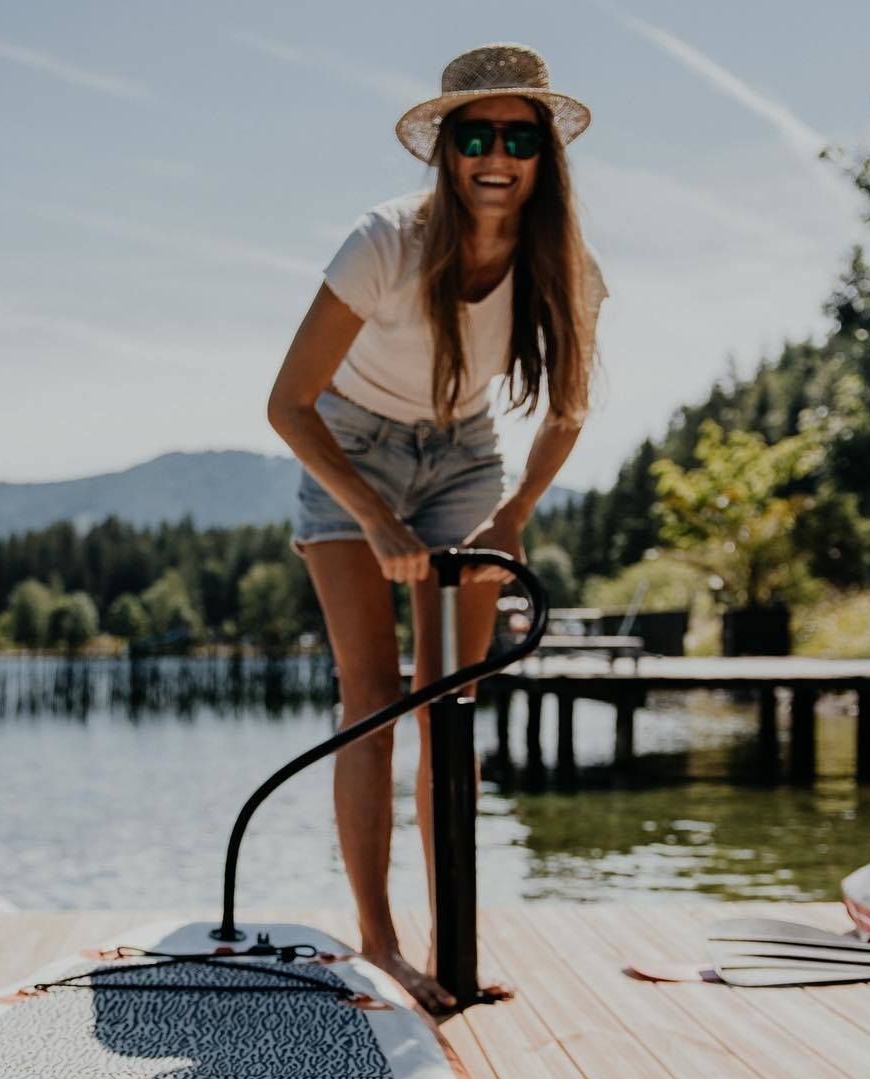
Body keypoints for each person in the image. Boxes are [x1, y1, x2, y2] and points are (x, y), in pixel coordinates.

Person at [267, 44, 607, 1010]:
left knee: (449, 704)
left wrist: (514, 516)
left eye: (518, 137)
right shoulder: (386, 242)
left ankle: (452, 947)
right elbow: (288, 404)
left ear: (544, 155)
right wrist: (372, 518)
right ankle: (380, 945)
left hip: (465, 455)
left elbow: (568, 410)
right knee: (373, 698)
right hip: (349, 451)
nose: (496, 155)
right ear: (445, 149)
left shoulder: (563, 263)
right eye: (475, 135)